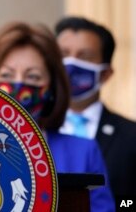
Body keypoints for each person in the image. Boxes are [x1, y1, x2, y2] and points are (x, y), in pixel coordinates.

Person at [0, 21, 115, 212]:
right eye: (6, 75)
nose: (19, 85)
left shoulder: (84, 151)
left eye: (33, 77)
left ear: (52, 88)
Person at [55, 16, 136, 203]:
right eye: (63, 54)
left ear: (106, 73)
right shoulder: (34, 132)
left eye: (84, 56)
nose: (71, 64)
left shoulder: (131, 137)